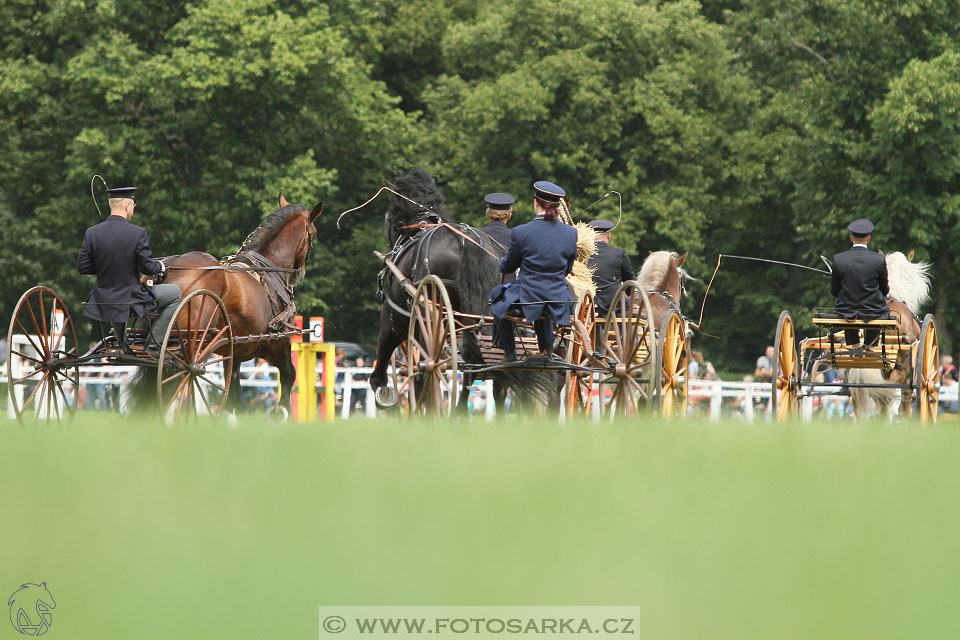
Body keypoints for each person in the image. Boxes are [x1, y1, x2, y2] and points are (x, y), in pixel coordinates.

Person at [78, 186, 181, 355]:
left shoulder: (92, 233)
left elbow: (83, 267)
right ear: (127, 205)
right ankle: (155, 345)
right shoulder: (137, 233)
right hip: (131, 299)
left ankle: (121, 343)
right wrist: (160, 266)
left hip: (102, 298)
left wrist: (106, 266)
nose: (133, 209)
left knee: (119, 297)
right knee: (175, 293)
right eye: (133, 205)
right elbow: (148, 267)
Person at [489, 181, 578, 361]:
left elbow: (508, 267)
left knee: (497, 295)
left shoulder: (521, 232)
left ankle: (508, 351)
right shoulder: (571, 233)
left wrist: (501, 263)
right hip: (558, 297)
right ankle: (546, 349)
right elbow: (568, 269)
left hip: (527, 297)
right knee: (544, 300)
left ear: (535, 202)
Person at [831, 218, 889, 346]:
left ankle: (853, 343)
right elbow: (884, 289)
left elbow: (834, 291)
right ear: (868, 238)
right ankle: (871, 344)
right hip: (873, 309)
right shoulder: (879, 260)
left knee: (846, 310)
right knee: (879, 309)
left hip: (846, 308)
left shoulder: (838, 259)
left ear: (851, 238)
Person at [586, 218, 635, 317]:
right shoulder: (619, 254)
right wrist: (629, 294)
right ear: (609, 235)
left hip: (587, 304)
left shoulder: (583, 254)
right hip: (613, 305)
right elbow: (630, 280)